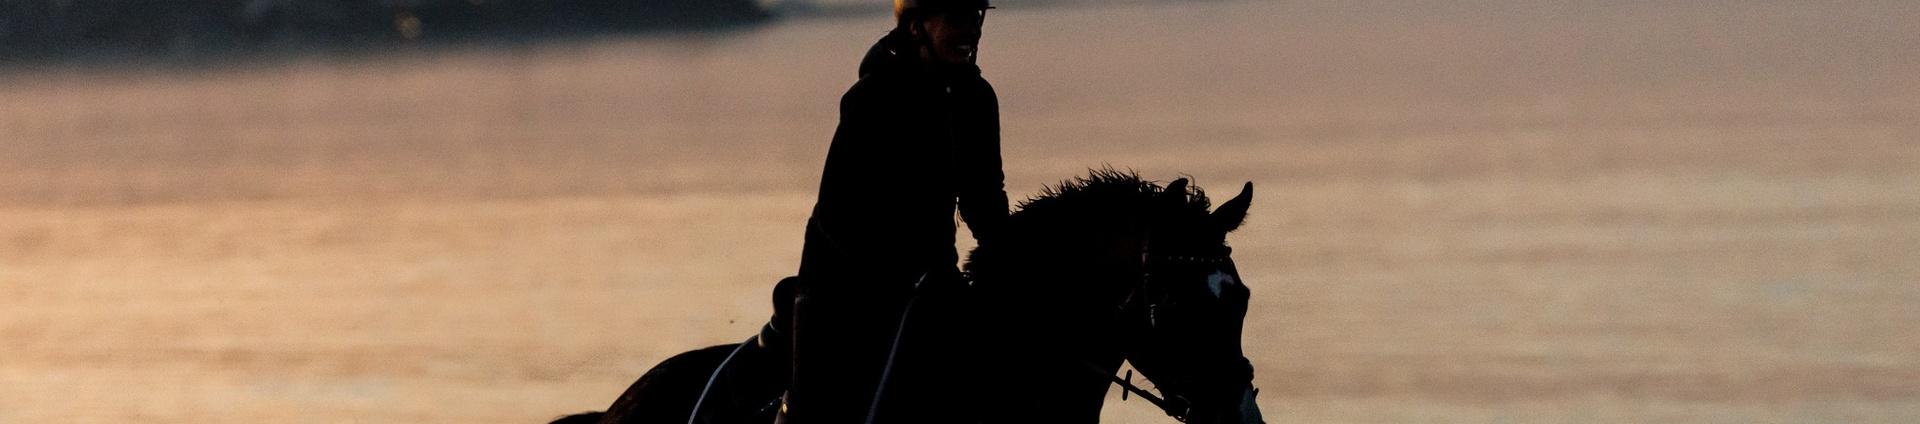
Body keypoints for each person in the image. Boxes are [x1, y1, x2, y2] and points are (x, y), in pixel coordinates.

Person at [778, 0, 1007, 422]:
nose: (971, 30)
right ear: (917, 26)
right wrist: (902, 275)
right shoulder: (870, 99)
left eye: (976, 18)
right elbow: (839, 216)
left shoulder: (977, 98)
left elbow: (985, 198)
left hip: (934, 283)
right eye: (956, 17)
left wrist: (1015, 261)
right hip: (845, 287)